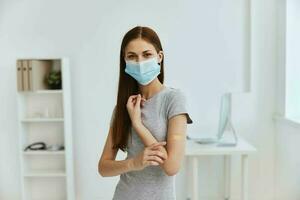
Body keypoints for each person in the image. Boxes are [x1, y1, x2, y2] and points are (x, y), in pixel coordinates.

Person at [98, 25, 193, 200]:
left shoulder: (173, 99)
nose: (140, 62)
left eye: (147, 54)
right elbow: (103, 168)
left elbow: (171, 167)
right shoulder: (124, 107)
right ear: (125, 61)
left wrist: (138, 125)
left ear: (159, 57)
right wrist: (134, 163)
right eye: (132, 56)